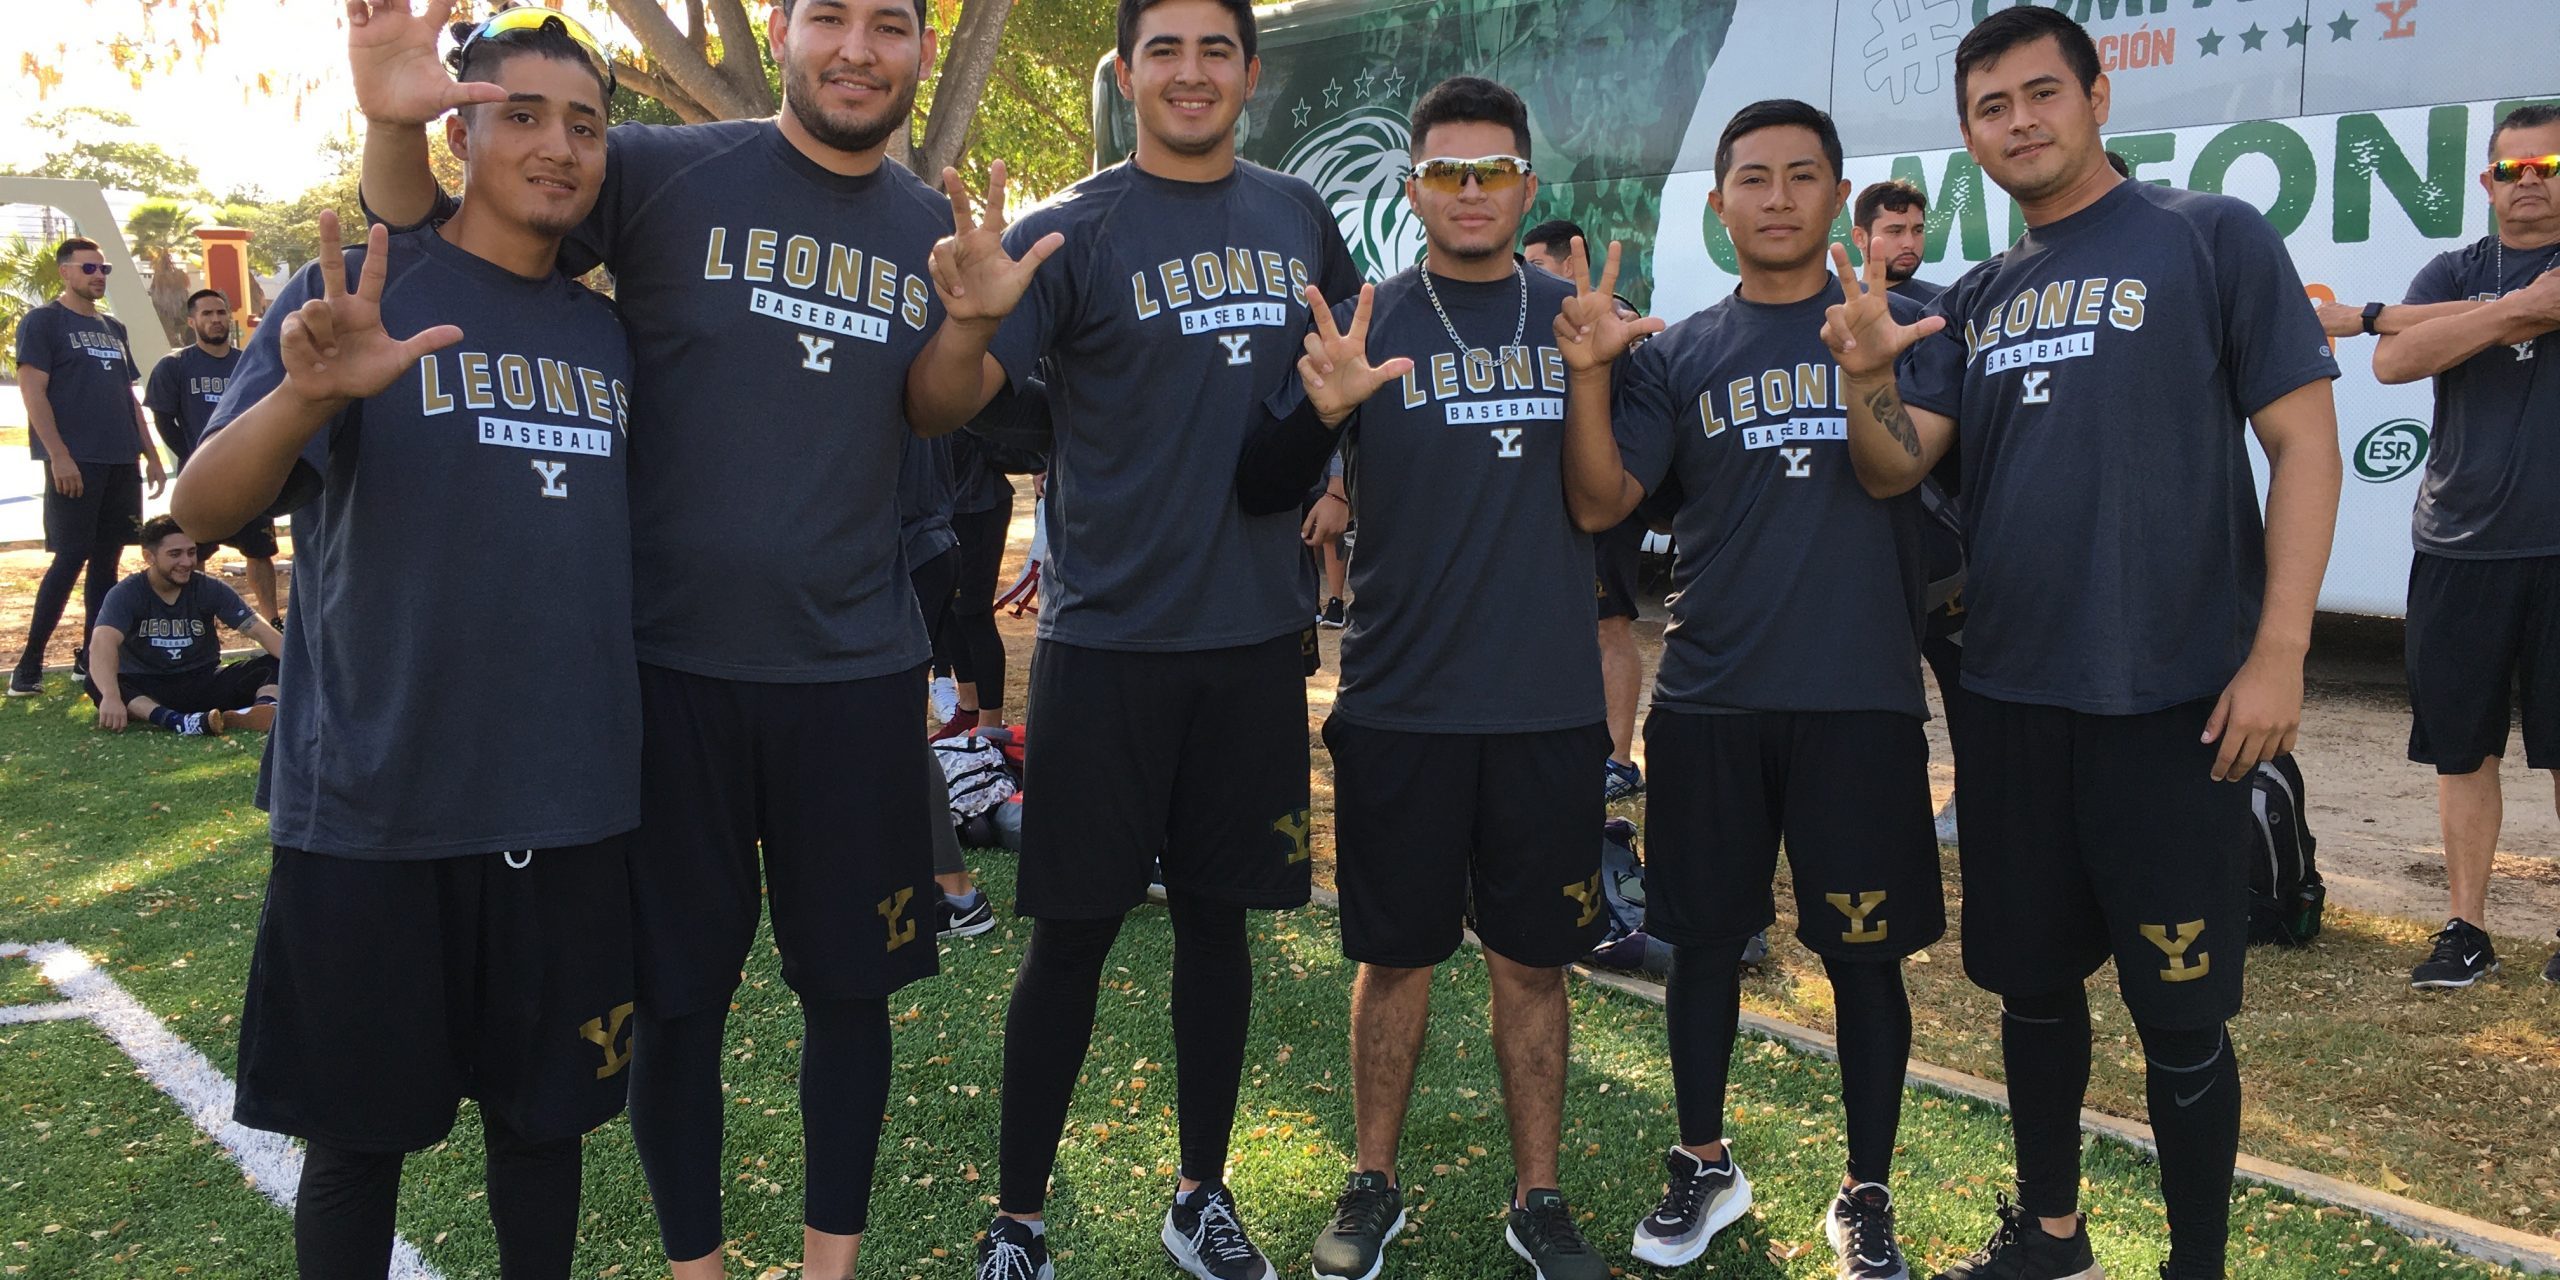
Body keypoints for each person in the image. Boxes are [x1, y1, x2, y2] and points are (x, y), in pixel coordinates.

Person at [350, 0, 961, 1274]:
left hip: (852, 672)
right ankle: (698, 1265)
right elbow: (444, 225)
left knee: (848, 995)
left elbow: (939, 406)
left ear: (921, 49)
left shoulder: (936, 230)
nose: (857, 48)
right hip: (665, 672)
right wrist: (392, 129)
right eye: (829, 16)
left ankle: (826, 1265)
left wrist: (975, 320)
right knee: (677, 999)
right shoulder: (660, 170)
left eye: (889, 24)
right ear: (785, 29)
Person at [1821, 9, 2342, 1279]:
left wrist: (2279, 652)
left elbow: (2305, 443)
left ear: (2098, 96)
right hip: (2010, 699)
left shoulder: (2206, 234)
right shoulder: (1978, 298)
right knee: (2032, 986)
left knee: (2180, 1013)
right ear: (1968, 136)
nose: (2018, 122)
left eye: (2040, 93)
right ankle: (2051, 1236)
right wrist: (1861, 371)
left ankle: (2195, 1262)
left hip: (2176, 702)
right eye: (1990, 107)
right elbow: (1893, 467)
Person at [173, 14, 639, 1277]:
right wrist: (304, 392)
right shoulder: (358, 297)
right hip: (371, 808)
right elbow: (202, 511)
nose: (557, 147)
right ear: (461, 131)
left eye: (584, 125)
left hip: (571, 801)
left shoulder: (609, 335)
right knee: (354, 1145)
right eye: (523, 115)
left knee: (546, 1134)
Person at [903, 0, 1359, 1273]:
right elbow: (962, 406)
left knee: (1219, 927)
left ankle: (1200, 1192)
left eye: (1217, 48)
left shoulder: (1297, 216)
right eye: (1165, 49)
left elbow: (1292, 433)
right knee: (1074, 934)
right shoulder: (1066, 227)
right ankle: (1020, 1219)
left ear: (1251, 73)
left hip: (1255, 641)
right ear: (1125, 73)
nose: (1193, 72)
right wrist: (975, 324)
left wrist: (1326, 433)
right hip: (1108, 644)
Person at [1555, 99, 1940, 1280]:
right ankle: (1702, 1159)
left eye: (1801, 176)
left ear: (1839, 198)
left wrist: (1867, 364)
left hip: (1860, 698)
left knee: (1862, 960)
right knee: (1705, 945)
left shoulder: (1911, 326)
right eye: (1752, 179)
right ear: (1717, 206)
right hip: (1714, 699)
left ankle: (1863, 1189)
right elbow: (1598, 503)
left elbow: (1894, 469)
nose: (1776, 196)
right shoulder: (1675, 355)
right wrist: (1585, 378)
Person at [1243, 76, 1613, 1280]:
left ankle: (1539, 1196)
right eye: (1446, 172)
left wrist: (1598, 375)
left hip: (1545, 705)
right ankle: (1372, 1180)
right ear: (1413, 188)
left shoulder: (1577, 320)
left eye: (1492, 170)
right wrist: (1322, 420)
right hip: (1399, 699)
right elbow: (1263, 476)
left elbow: (1608, 501)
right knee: (1392, 955)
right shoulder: (1361, 316)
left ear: (1526, 186)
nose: (1469, 191)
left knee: (1531, 961)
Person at [2327, 104, 2560, 989]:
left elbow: (2404, 336)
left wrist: (2413, 321)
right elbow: (2391, 364)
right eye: (2513, 169)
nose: (2529, 181)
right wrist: (2521, 311)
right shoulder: (2457, 267)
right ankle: (2466, 929)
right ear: (2487, 181)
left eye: (2547, 165)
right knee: (2463, 749)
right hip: (2460, 544)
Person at [1852, 181, 1966, 844]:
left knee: (1963, 684)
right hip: (1863, 544)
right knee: (1881, 695)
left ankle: (1970, 802)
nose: (1909, 243)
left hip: (1941, 546)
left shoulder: (1945, 309)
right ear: (1861, 234)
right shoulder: (1828, 306)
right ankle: (1886, 807)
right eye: (1894, 230)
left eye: (1917, 230)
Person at [9, 237, 167, 697]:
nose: (98, 275)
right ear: (65, 272)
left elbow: (127, 397)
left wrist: (151, 454)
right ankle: (29, 665)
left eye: (105, 269)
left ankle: (89, 660)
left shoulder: (114, 329)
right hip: (76, 462)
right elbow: (32, 392)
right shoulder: (43, 322)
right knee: (71, 556)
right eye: (89, 268)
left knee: (108, 560)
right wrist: (58, 455)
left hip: (121, 461)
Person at [1523, 218, 1647, 800]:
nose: (1528, 279)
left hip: (1607, 501)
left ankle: (1618, 761)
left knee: (1608, 626)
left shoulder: (1615, 320)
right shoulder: (1537, 323)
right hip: (1551, 502)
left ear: (1572, 266)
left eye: (1538, 267)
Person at [145, 288, 285, 624]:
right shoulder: (175, 366)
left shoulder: (249, 364)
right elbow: (164, 418)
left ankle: (272, 622)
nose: (216, 319)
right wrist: (192, 458)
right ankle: (198, 621)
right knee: (192, 555)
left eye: (221, 312)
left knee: (260, 551)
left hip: (250, 478)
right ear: (192, 321)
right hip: (201, 482)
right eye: (207, 314)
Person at [85, 514, 282, 736]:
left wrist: (309, 666)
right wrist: (111, 696)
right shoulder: (127, 593)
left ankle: (264, 710)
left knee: (276, 661)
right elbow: (102, 643)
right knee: (97, 680)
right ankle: (178, 722)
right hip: (147, 688)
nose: (187, 562)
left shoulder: (209, 588)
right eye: (175, 554)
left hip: (203, 682)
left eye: (191, 552)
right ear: (149, 556)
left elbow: (260, 631)